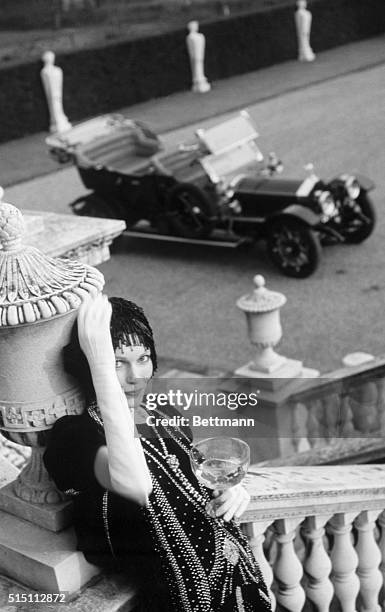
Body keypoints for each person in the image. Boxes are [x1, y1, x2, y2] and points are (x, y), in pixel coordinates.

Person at [44, 294, 272, 612]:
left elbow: (196, 477)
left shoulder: (164, 414)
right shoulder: (75, 436)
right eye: (117, 363)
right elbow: (135, 484)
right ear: (93, 367)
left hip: (234, 583)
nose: (134, 376)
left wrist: (230, 489)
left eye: (143, 358)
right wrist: (101, 369)